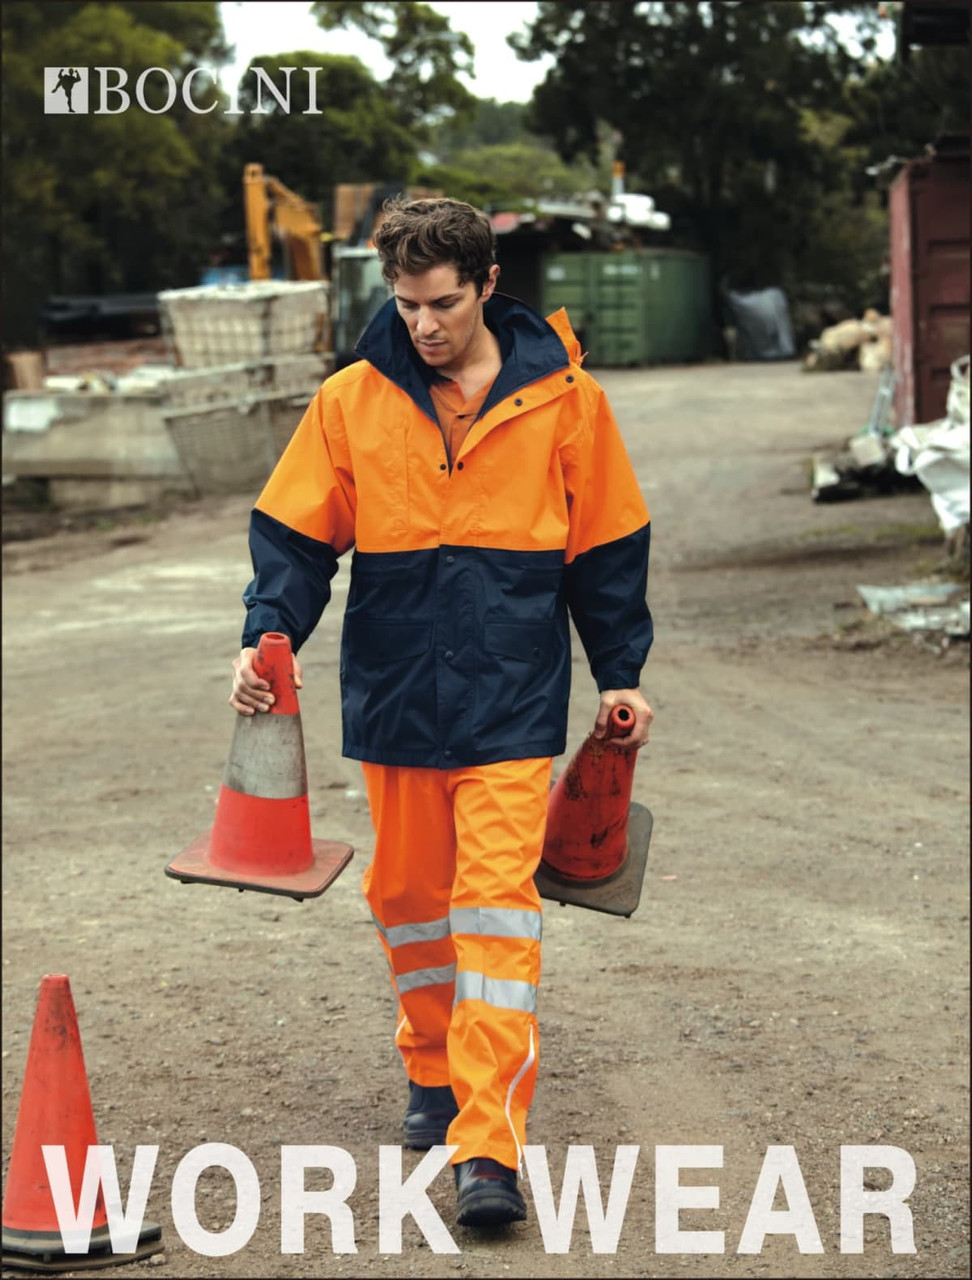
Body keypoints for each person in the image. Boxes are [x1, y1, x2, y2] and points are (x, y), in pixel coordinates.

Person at [230, 198, 654, 1228]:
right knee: (410, 898)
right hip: (395, 692)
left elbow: (606, 542)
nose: (424, 324)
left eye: (445, 304)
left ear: (488, 285)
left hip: (511, 697)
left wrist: (620, 671)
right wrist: (266, 633)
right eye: (407, 303)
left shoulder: (566, 401)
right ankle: (430, 1067)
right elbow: (295, 536)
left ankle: (489, 1145)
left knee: (497, 907)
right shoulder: (351, 400)